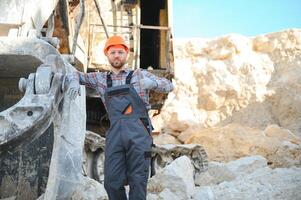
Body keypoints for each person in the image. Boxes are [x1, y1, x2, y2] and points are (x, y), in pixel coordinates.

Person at [67, 35, 173, 200]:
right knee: (111, 182)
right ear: (107, 55)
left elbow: (169, 86)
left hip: (139, 133)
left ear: (126, 55)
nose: (116, 55)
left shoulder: (140, 75)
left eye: (120, 52)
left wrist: (153, 84)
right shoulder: (101, 78)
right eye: (113, 52)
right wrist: (74, 81)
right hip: (115, 133)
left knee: (138, 180)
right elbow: (75, 74)